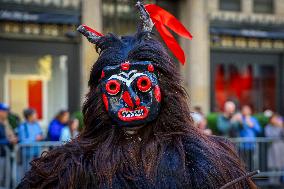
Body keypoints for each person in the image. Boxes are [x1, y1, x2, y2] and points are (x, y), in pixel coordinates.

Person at [18, 2, 257, 188]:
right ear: (100, 97)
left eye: (142, 84)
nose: (130, 99)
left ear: (163, 90)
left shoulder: (204, 161)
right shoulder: (68, 168)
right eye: (115, 88)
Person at [265, 113, 284, 184]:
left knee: (280, 165)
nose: (275, 120)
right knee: (272, 165)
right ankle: (272, 182)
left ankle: (278, 182)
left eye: (276, 118)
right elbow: (269, 136)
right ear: (270, 120)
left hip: (281, 148)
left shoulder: (280, 126)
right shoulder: (268, 127)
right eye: (274, 118)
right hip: (272, 148)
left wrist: (281, 127)